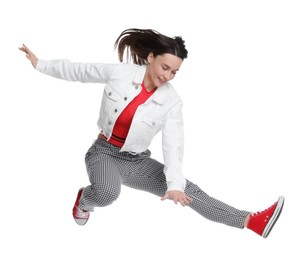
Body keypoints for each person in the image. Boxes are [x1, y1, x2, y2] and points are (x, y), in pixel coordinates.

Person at [19, 28, 284, 238]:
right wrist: (40, 64)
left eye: (175, 72)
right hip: (104, 152)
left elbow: (174, 145)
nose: (168, 75)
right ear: (150, 58)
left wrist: (175, 186)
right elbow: (80, 71)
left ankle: (251, 221)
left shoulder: (172, 102)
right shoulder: (120, 73)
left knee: (189, 191)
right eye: (165, 67)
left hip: (137, 162)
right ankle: (85, 200)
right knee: (109, 193)